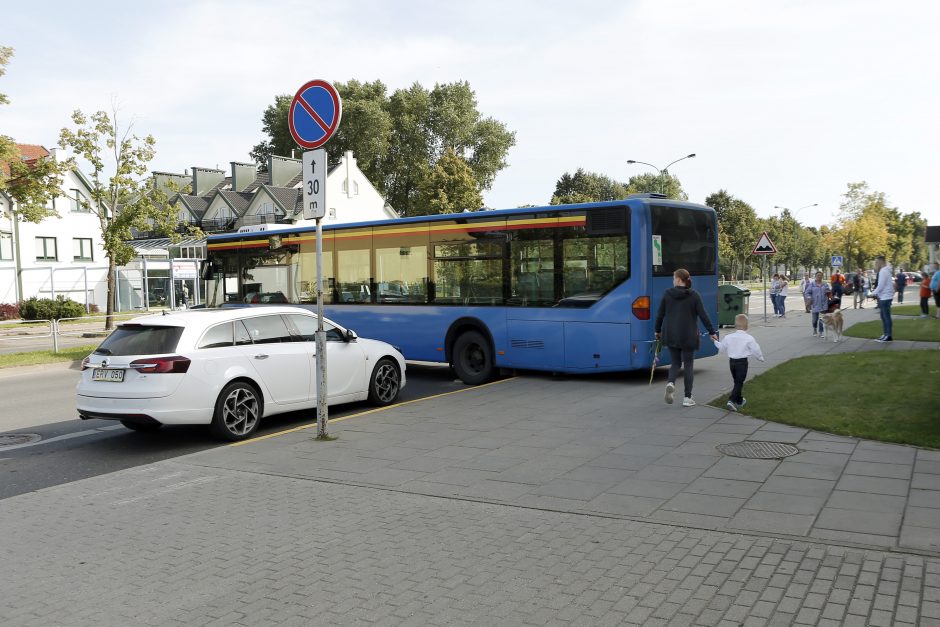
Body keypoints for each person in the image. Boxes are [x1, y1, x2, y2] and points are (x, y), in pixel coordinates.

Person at [655, 268, 718, 408]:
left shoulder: (667, 294)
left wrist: (657, 330)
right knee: (688, 365)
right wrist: (711, 332)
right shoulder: (694, 295)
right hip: (688, 335)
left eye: (673, 278)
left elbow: (660, 314)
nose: (672, 280)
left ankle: (671, 382)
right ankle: (687, 397)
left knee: (675, 363)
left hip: (671, 333)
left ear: (678, 280)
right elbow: (703, 315)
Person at [714, 314, 765, 412]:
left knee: (737, 382)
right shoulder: (749, 338)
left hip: (732, 363)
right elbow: (756, 349)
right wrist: (760, 358)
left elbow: (722, 348)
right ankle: (732, 400)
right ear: (746, 326)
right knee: (739, 382)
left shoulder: (729, 337)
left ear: (735, 325)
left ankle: (739, 400)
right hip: (742, 363)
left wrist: (715, 341)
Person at [872, 255, 895, 342]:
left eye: (877, 262)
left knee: (886, 317)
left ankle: (888, 335)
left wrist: (872, 293)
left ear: (881, 262)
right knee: (883, 316)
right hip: (884, 296)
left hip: (885, 297)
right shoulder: (885, 271)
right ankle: (885, 334)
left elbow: (880, 285)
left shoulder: (883, 271)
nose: (876, 264)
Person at [805, 271, 831, 338]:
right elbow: (807, 293)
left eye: (820, 275)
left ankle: (821, 332)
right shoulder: (812, 284)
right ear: (815, 276)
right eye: (818, 275)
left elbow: (828, 291)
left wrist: (829, 292)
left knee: (822, 319)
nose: (819, 276)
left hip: (823, 304)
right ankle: (814, 329)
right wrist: (809, 298)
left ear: (822, 276)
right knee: (814, 320)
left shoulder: (825, 284)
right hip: (815, 304)